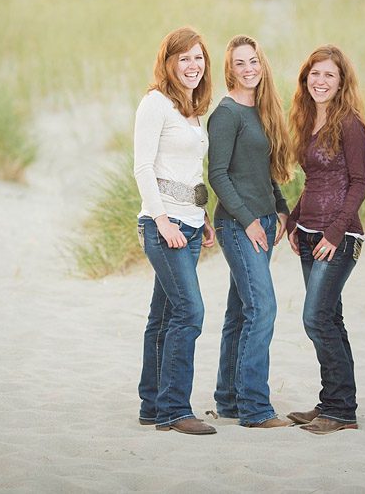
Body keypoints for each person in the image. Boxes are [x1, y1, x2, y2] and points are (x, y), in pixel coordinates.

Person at [284, 45, 365, 435]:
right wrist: (295, 219)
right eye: (314, 74)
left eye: (329, 76)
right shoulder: (306, 120)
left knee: (315, 317)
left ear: (341, 83)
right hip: (308, 232)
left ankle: (340, 410)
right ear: (306, 78)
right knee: (330, 318)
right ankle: (335, 404)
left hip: (339, 235)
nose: (320, 81)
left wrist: (335, 232)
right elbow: (314, 180)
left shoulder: (350, 124)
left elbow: (359, 183)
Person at [135, 26, 217, 435]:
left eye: (198, 58)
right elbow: (143, 167)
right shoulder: (156, 103)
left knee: (164, 313)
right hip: (162, 224)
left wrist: (202, 217)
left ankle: (152, 403)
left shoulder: (193, 109)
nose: (192, 65)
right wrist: (162, 219)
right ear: (168, 63)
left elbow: (189, 171)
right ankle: (174, 409)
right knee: (190, 312)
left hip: (190, 221)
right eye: (184, 58)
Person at [207, 34, 292, 428]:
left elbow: (262, 170)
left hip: (263, 220)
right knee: (263, 309)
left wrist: (280, 207)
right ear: (230, 69)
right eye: (240, 63)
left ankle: (228, 399)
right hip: (238, 225)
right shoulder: (226, 114)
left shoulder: (260, 110)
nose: (249, 69)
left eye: (254, 61)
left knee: (240, 312)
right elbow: (218, 176)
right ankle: (255, 408)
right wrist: (250, 220)